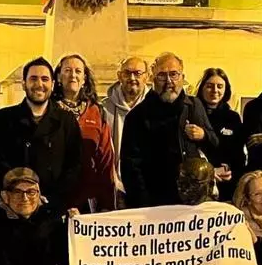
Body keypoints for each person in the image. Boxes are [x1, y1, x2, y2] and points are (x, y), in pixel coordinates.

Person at [0, 57, 82, 215]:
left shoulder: (66, 122)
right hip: (8, 214)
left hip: (50, 214)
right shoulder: (1, 120)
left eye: (45, 79)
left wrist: (53, 201)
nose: (39, 84)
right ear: (23, 84)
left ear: (53, 84)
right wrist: (11, 199)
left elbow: (74, 167)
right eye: (33, 79)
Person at [121, 52, 218, 207]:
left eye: (174, 74)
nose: (169, 81)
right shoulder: (137, 116)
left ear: (182, 77)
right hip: (154, 203)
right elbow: (130, 166)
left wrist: (203, 136)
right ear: (152, 79)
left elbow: (215, 145)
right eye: (162, 75)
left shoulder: (194, 106)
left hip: (192, 202)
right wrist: (144, 205)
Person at [53, 54, 116, 212]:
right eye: (67, 70)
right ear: (58, 77)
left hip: (88, 197)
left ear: (84, 79)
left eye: (78, 71)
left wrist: (106, 203)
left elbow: (105, 159)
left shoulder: (96, 111)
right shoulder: (48, 110)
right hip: (55, 196)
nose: (73, 75)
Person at [101, 56, 150, 200]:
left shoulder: (155, 107)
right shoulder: (104, 108)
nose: (132, 78)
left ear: (147, 77)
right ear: (119, 76)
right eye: (127, 73)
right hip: (112, 184)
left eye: (138, 73)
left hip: (147, 185)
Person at [196, 68, 245, 201]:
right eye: (209, 86)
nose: (215, 90)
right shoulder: (192, 114)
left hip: (226, 185)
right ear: (202, 88)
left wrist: (231, 171)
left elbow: (238, 154)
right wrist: (208, 172)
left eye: (220, 86)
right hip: (198, 184)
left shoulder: (233, 118)